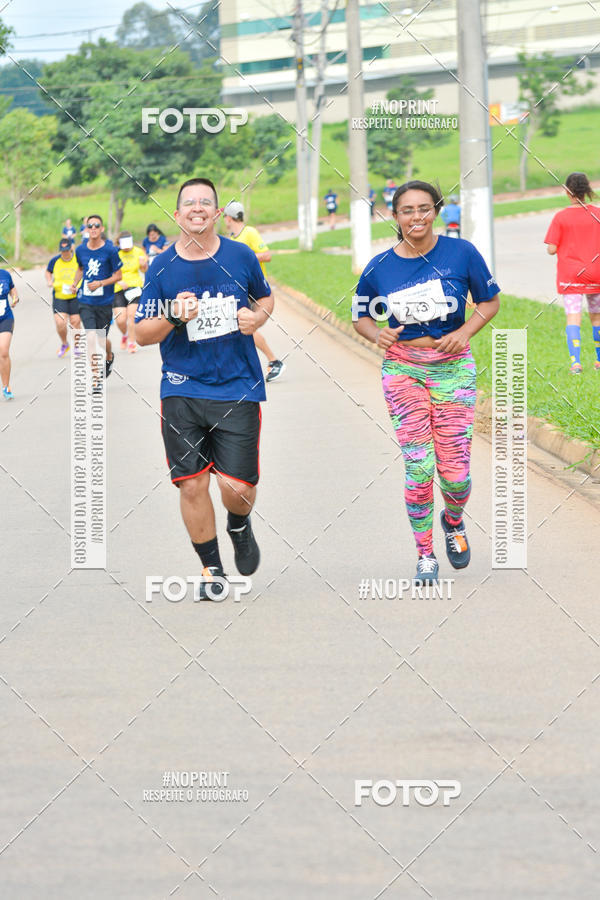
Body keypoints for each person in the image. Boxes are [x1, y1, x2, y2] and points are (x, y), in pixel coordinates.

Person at [353, 180, 500, 584]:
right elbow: (361, 315)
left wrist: (466, 331)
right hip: (403, 368)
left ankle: (453, 520)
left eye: (423, 208)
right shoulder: (379, 266)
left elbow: (490, 301)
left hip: (453, 367)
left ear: (435, 211)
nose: (416, 217)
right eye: (407, 210)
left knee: (455, 474)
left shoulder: (461, 253)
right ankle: (425, 554)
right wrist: (375, 334)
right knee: (419, 467)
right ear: (395, 217)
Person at [135, 177, 274, 600]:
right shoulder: (161, 267)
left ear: (217, 213)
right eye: (188, 203)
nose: (197, 208)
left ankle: (238, 524)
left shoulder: (241, 255)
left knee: (237, 489)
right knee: (192, 484)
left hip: (237, 387)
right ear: (176, 215)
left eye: (205, 203)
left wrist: (258, 319)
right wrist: (175, 317)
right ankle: (212, 569)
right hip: (181, 388)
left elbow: (264, 299)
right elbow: (142, 333)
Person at [223, 200, 285, 382]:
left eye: (225, 217)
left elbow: (266, 255)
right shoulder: (232, 239)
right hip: (239, 290)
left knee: (243, 327)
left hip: (255, 289)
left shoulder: (249, 233)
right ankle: (263, 363)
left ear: (229, 218)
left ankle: (273, 361)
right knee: (239, 328)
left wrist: (244, 257)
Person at [544, 171, 600, 374]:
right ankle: (598, 360)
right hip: (597, 275)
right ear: (587, 190)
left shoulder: (561, 217)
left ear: (567, 191)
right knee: (597, 317)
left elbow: (551, 249)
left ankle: (575, 363)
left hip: (571, 277)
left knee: (573, 317)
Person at [70, 214, 123, 383]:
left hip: (105, 302)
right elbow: (80, 268)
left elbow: (118, 276)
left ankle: (108, 355)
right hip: (86, 301)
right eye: (90, 226)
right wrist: (74, 284)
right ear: (86, 229)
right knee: (91, 337)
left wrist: (101, 283)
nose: (93, 228)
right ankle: (95, 377)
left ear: (102, 229)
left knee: (102, 340)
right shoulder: (80, 250)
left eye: (96, 225)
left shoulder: (110, 250)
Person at [113, 231, 148, 353]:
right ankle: (126, 334)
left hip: (135, 287)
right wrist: (118, 282)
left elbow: (145, 271)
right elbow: (108, 272)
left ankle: (132, 343)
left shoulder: (138, 251)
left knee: (131, 315)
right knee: (120, 319)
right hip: (119, 288)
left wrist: (144, 265)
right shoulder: (115, 253)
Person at [45, 238, 81, 358]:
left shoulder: (78, 259)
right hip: (60, 295)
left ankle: (77, 347)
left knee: (75, 321)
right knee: (60, 322)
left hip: (75, 295)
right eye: (62, 251)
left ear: (71, 249)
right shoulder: (54, 261)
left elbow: (84, 272)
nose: (65, 253)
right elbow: (48, 272)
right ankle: (65, 344)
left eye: (67, 250)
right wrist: (49, 280)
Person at [0, 269, 20, 400]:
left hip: (5, 318)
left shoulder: (5, 274)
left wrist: (15, 297)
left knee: (3, 351)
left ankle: (6, 386)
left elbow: (12, 288)